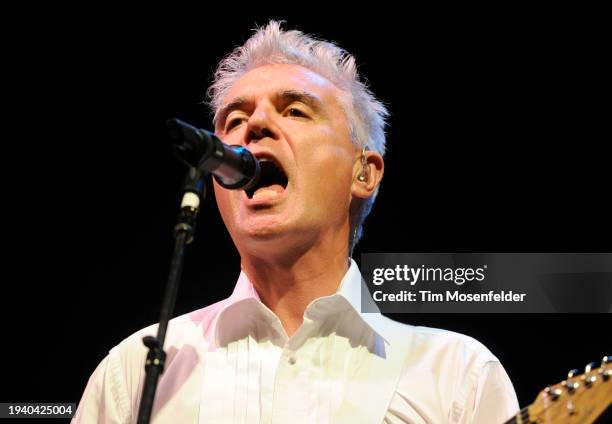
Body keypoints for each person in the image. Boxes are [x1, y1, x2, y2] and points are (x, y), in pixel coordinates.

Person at [73, 21, 519, 423]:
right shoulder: (136, 371)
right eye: (235, 119)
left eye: (294, 110)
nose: (256, 125)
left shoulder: (457, 375)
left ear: (363, 172)